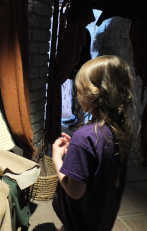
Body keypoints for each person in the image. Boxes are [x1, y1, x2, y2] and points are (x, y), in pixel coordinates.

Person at [52, 55, 135, 231]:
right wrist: (75, 151)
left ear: (92, 95)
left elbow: (75, 191)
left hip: (80, 222)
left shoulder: (84, 138)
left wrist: (57, 159)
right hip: (101, 219)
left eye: (79, 90)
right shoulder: (119, 130)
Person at [62, 28, 91, 129]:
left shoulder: (81, 32)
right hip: (79, 66)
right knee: (75, 94)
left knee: (79, 95)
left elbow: (79, 51)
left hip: (80, 66)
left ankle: (79, 121)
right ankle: (76, 118)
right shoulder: (83, 31)